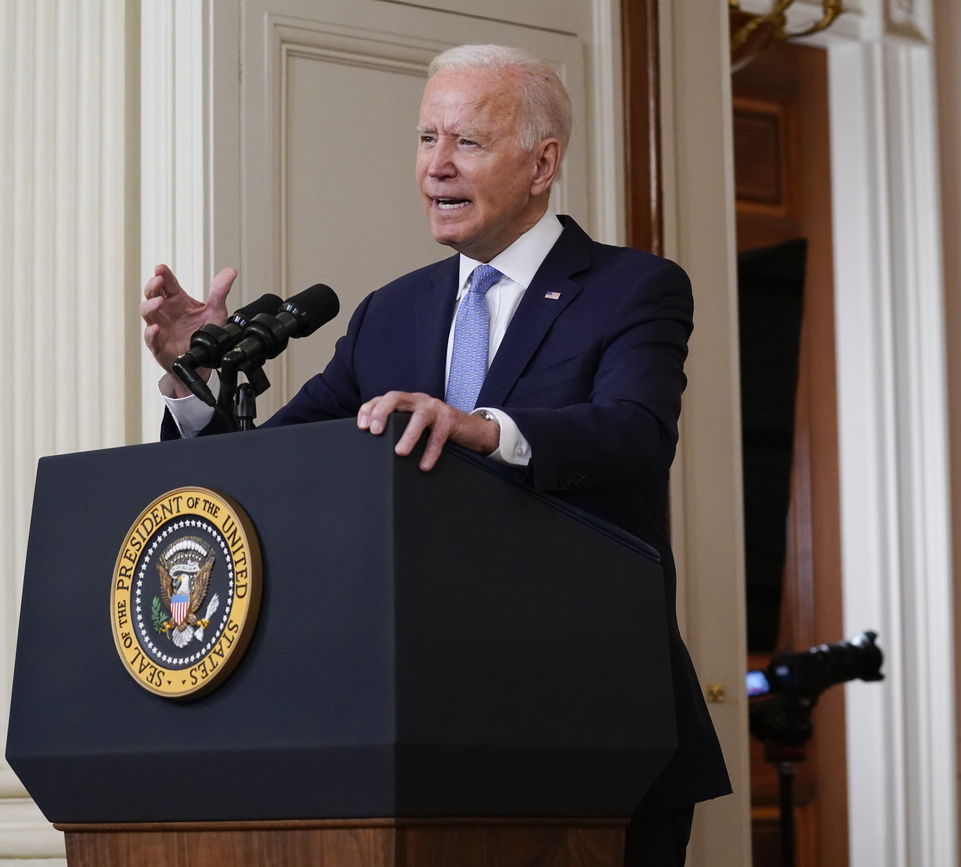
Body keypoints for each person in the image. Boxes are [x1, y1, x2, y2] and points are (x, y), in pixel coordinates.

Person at [140, 43, 730, 866]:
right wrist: (194, 380)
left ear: (542, 162)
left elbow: (636, 433)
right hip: (408, 739)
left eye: (467, 144)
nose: (435, 168)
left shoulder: (632, 287)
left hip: (588, 730)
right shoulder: (391, 312)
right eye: (426, 140)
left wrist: (482, 426)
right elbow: (274, 475)